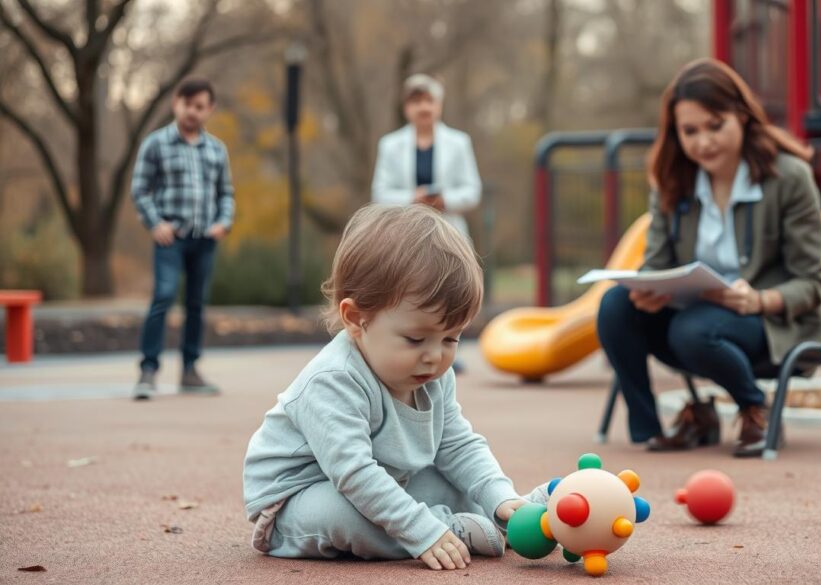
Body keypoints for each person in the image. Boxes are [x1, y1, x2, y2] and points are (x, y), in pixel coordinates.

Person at [243, 204, 545, 570]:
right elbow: (354, 475)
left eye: (451, 339)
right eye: (416, 339)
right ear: (357, 319)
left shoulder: (432, 373)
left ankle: (517, 515)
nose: (435, 357)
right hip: (297, 500)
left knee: (448, 480)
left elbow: (457, 444)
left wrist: (498, 494)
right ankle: (449, 528)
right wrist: (422, 530)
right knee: (345, 514)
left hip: (386, 479)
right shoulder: (332, 380)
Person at [596, 59, 821, 457]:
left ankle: (754, 406)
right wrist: (649, 290)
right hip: (691, 322)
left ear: (741, 115)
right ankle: (653, 428)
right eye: (690, 131)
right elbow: (656, 264)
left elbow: (812, 284)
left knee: (693, 328)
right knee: (615, 307)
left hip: (767, 323)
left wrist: (758, 299)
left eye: (714, 125)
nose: (703, 142)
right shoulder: (673, 182)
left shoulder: (788, 177)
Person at [130, 78, 234, 400]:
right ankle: (148, 370)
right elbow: (140, 189)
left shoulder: (216, 149)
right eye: (187, 104)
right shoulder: (156, 144)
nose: (192, 111)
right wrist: (155, 222)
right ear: (176, 103)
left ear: (209, 110)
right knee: (163, 297)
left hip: (204, 239)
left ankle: (190, 371)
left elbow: (226, 193)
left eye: (200, 106)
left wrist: (224, 222)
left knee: (196, 304)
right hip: (170, 239)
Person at [371, 74, 482, 240]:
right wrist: (413, 199)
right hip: (403, 236)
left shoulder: (459, 142)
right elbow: (379, 194)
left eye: (430, 101)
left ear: (439, 105)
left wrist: (443, 200)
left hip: (450, 234)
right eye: (416, 102)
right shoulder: (389, 145)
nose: (424, 107)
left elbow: (472, 192)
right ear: (406, 107)